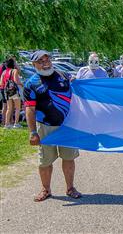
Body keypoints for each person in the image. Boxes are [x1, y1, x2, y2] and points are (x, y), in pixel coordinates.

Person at [24, 50, 81, 202]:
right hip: (45, 127)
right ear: (34, 64)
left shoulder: (64, 76)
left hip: (67, 126)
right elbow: (29, 109)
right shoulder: (31, 84)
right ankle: (46, 189)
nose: (45, 63)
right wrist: (32, 132)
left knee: (68, 158)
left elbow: (78, 91)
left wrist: (76, 81)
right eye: (40, 61)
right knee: (45, 161)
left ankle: (70, 188)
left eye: (47, 60)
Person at [0, 57, 23, 128]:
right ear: (13, 64)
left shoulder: (4, 72)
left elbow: (1, 83)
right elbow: (16, 81)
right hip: (14, 91)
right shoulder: (14, 70)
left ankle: (7, 124)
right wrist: (21, 84)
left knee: (9, 108)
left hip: (6, 92)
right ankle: (16, 123)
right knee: (18, 108)